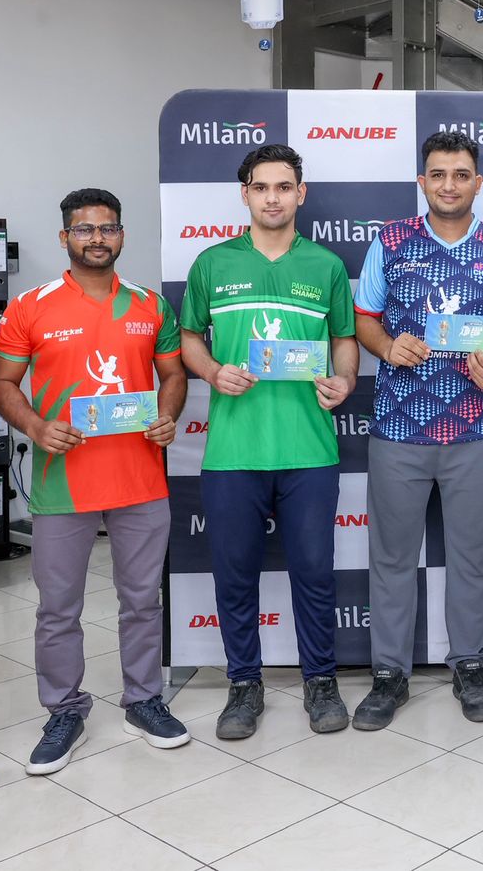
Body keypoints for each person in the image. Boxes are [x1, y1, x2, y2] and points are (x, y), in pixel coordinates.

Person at [0, 188, 190, 774]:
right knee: (58, 609)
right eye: (84, 229)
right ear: (65, 237)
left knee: (142, 602)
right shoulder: (31, 306)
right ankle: (64, 710)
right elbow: (2, 383)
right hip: (63, 483)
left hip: (140, 479)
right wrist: (36, 426)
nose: (97, 238)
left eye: (108, 228)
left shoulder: (151, 304)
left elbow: (173, 374)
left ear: (121, 235)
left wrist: (168, 415)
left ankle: (144, 700)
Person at [351, 130, 483, 729]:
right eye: (437, 174)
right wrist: (386, 345)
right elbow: (364, 318)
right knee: (391, 558)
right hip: (398, 428)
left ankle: (469, 665)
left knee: (472, 557)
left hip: (475, 430)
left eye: (460, 175)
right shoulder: (391, 241)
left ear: (477, 183)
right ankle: (389, 674)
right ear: (422, 181)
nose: (448, 185)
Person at [178, 145, 359, 739]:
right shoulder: (212, 263)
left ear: (301, 193)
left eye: (284, 187)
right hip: (234, 452)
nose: (273, 198)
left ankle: (321, 681)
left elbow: (344, 339)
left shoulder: (326, 265)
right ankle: (243, 684)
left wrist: (344, 380)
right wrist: (211, 372)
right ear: (245, 194)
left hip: (310, 450)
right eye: (261, 187)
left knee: (314, 574)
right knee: (235, 577)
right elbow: (188, 337)